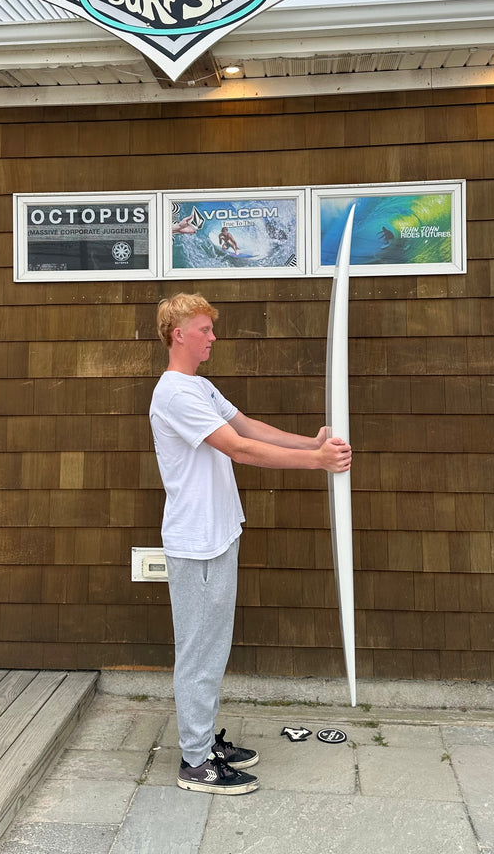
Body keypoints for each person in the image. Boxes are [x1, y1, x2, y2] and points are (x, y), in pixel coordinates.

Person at [149, 293, 352, 795]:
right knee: (198, 652)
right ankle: (196, 762)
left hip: (219, 535)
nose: (212, 337)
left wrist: (311, 443)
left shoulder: (200, 387)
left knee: (212, 648)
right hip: (196, 544)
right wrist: (318, 463)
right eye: (204, 329)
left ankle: (203, 742)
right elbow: (238, 449)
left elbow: (247, 427)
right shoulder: (173, 394)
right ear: (179, 334)